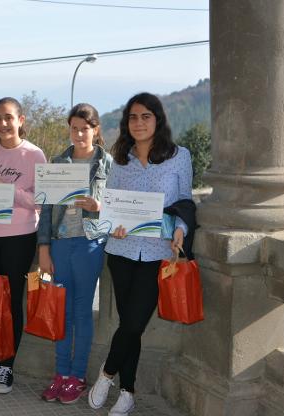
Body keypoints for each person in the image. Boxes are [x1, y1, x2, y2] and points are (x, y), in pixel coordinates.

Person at [88, 93, 193, 415]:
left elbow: (186, 201)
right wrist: (113, 223)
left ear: (157, 119)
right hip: (121, 250)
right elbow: (114, 204)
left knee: (133, 323)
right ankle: (128, 392)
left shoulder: (179, 156)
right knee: (128, 325)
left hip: (158, 253)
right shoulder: (120, 160)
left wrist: (181, 229)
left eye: (145, 116)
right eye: (133, 117)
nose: (139, 123)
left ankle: (107, 373)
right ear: (126, 123)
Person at [37, 103, 112, 403]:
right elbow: (45, 211)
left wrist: (99, 207)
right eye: (74, 128)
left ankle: (77, 377)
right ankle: (60, 374)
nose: (79, 133)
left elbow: (119, 207)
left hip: (90, 244)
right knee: (59, 311)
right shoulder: (57, 163)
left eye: (85, 128)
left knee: (81, 312)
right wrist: (43, 248)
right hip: (59, 244)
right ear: (69, 129)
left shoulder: (108, 164)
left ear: (95, 130)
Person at [0, 97, 47, 394]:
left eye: (8, 117)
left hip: (22, 238)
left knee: (12, 302)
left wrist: (11, 191)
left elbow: (41, 201)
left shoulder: (34, 155)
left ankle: (6, 367)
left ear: (21, 120)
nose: (2, 124)